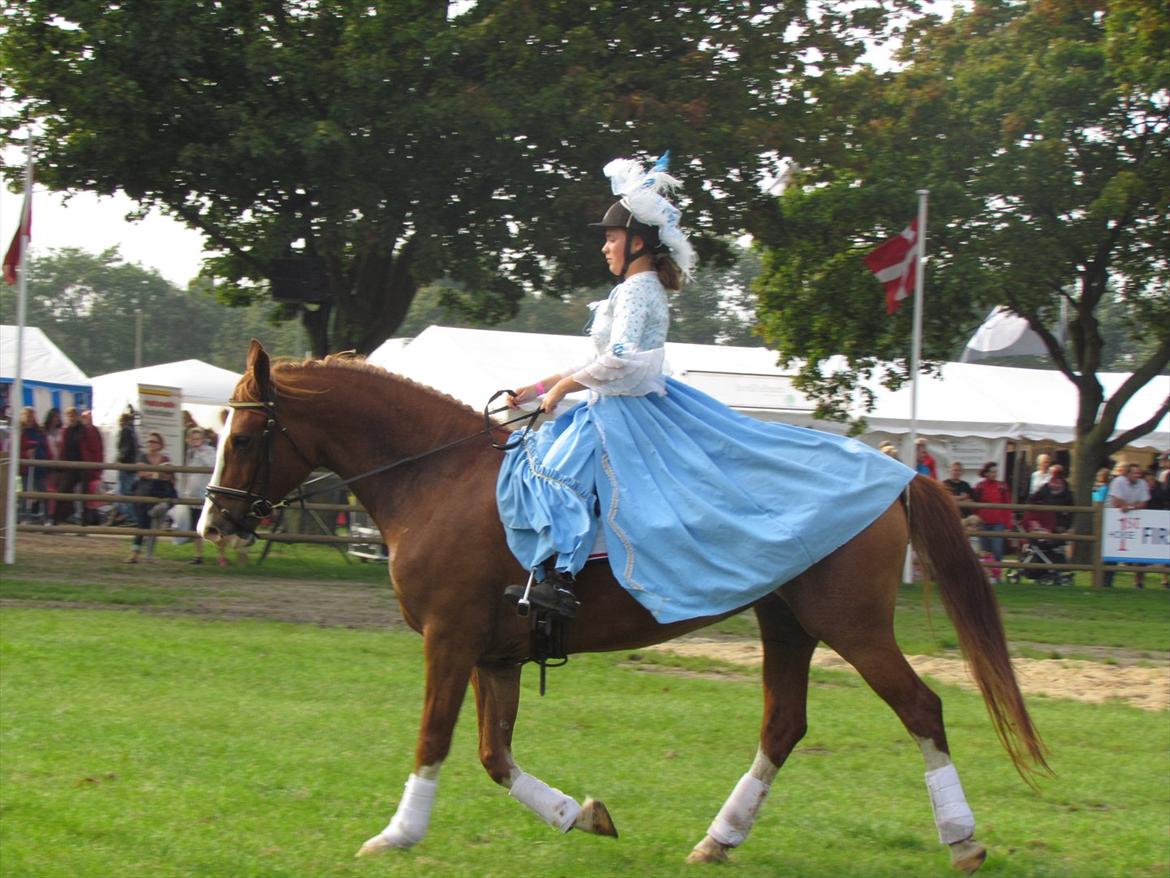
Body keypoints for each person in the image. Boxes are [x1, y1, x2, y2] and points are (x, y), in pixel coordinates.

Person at [497, 153, 916, 622]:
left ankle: (560, 584)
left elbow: (619, 360)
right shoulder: (628, 290)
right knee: (557, 469)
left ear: (637, 242)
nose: (605, 248)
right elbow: (599, 360)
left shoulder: (639, 290)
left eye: (611, 239)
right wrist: (537, 388)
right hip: (619, 404)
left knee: (561, 476)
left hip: (624, 413)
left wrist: (562, 391)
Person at [178, 426, 228, 566]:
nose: (195, 441)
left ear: (203, 439)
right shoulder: (189, 453)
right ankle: (198, 555)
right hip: (193, 495)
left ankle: (222, 556)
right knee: (197, 527)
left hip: (207, 495)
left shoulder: (210, 451)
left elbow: (211, 465)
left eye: (198, 438)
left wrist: (200, 452)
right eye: (193, 438)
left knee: (214, 528)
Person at [126, 432, 176, 563]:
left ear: (160, 444)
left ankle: (147, 554)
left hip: (159, 492)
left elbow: (167, 476)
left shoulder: (165, 459)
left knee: (153, 526)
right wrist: (157, 472)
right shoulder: (143, 456)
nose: (151, 444)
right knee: (143, 523)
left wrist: (152, 473)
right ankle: (135, 553)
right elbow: (141, 472)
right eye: (149, 442)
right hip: (143, 493)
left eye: (154, 442)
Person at [1104, 463, 1151, 588]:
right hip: (1114, 521)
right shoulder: (1118, 482)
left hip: (1134, 522)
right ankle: (1106, 582)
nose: (1138, 476)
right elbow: (1116, 502)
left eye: (1139, 473)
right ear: (1127, 473)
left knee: (1141, 551)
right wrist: (1131, 505)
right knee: (1112, 551)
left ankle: (1138, 582)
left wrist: (1130, 507)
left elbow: (1143, 503)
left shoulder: (1142, 484)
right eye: (1135, 473)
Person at [971, 461, 1012, 581]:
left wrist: (1007, 524)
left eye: (996, 472)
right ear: (986, 473)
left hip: (998, 522)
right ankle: (986, 575)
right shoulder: (980, 486)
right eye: (992, 472)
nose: (994, 474)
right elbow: (975, 505)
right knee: (984, 550)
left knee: (997, 549)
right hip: (983, 522)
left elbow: (1007, 505)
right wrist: (975, 522)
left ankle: (997, 574)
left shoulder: (1002, 486)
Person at [17, 407, 50, 523]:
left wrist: (49, 462)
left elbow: (46, 447)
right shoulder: (20, 432)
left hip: (40, 467)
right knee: (26, 493)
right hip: (26, 468)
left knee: (43, 492)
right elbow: (15, 449)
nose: (30, 418)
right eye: (27, 415)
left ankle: (45, 517)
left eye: (31, 416)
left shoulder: (39, 432)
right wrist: (25, 454)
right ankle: (25, 516)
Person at [109, 408, 140, 525]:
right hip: (132, 465)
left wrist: (120, 459)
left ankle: (131, 517)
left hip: (126, 465)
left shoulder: (125, 431)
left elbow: (125, 450)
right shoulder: (133, 432)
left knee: (126, 492)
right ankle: (131, 516)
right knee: (129, 491)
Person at [1027, 464, 1075, 532]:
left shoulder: (1067, 491)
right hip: (1045, 523)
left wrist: (1066, 525)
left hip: (1059, 524)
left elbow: (1071, 511)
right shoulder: (1045, 488)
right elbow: (1032, 499)